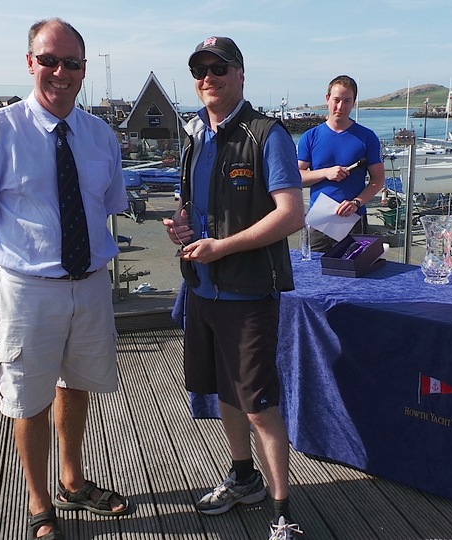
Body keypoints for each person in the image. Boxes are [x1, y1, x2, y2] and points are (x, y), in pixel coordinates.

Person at [0, 18, 129, 540]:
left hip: (91, 285)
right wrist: (17, 263)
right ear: (30, 62)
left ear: (83, 70)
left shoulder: (101, 136)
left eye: (71, 63)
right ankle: (39, 500)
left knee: (76, 386)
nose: (60, 71)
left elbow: (107, 207)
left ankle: (72, 480)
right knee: (27, 398)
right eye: (49, 60)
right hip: (27, 290)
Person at [163, 36, 305, 539]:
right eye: (199, 70)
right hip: (202, 290)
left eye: (218, 68)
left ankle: (282, 512)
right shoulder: (194, 135)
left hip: (247, 292)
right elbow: (189, 205)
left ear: (241, 73)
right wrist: (182, 227)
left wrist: (222, 247)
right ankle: (244, 477)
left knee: (259, 404)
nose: (208, 78)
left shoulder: (266, 134)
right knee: (226, 390)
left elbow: (291, 214)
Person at [297, 75, 385, 252]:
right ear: (327, 99)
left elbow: (378, 179)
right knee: (311, 268)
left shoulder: (367, 137)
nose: (340, 107)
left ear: (353, 103)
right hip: (318, 221)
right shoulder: (310, 136)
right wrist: (325, 172)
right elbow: (296, 177)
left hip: (353, 219)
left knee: (351, 268)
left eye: (347, 101)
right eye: (336, 100)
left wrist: (356, 202)